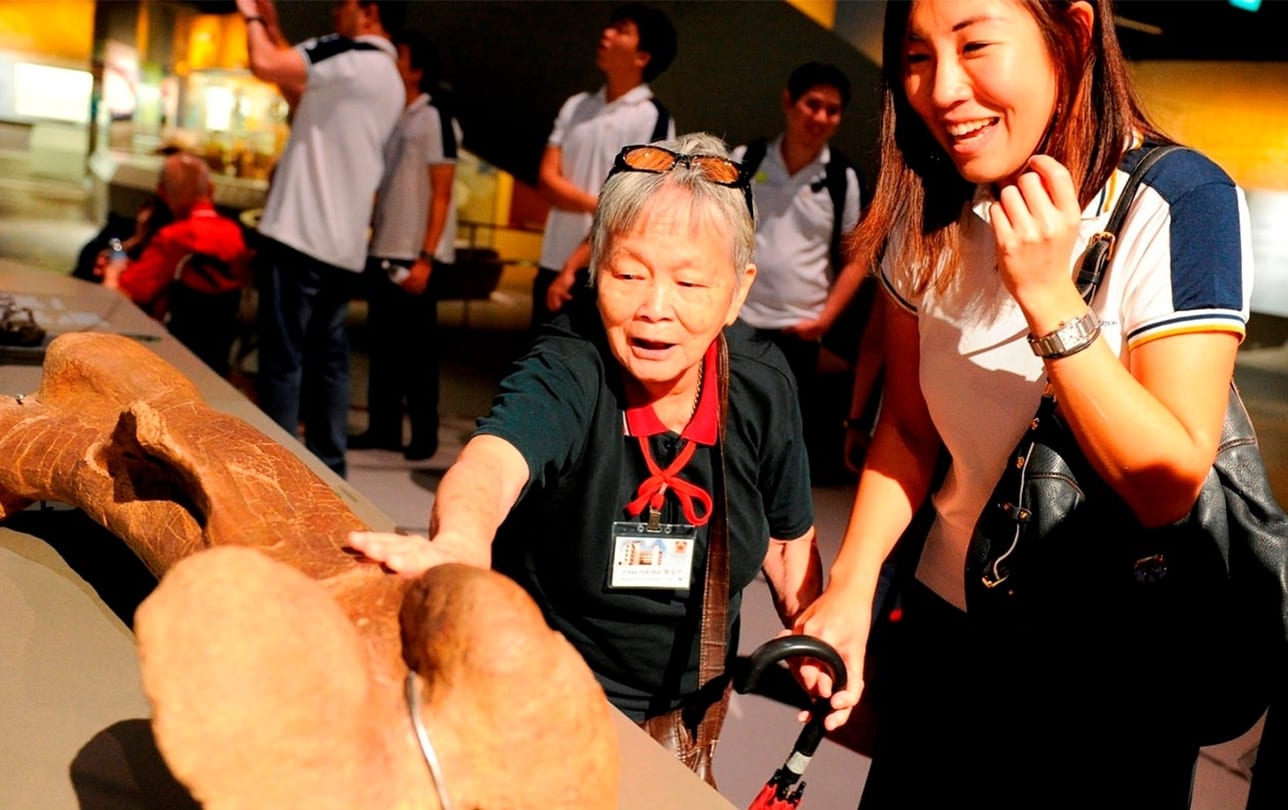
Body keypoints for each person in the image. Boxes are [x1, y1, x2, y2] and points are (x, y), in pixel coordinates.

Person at [794, 1, 1256, 806]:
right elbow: (906, 429)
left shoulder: (1179, 201)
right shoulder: (925, 205)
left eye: (975, 45)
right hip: (944, 637)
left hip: (1110, 673)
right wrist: (854, 585)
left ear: (1072, 35)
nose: (941, 89)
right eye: (916, 56)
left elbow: (1167, 482)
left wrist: (1050, 299)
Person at [348, 133, 823, 784]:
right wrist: (460, 539)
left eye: (689, 281)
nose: (655, 309)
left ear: (739, 292)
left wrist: (816, 631)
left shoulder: (762, 388)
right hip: (535, 707)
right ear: (597, 268)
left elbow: (789, 542)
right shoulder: (571, 365)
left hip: (684, 728)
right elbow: (492, 462)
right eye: (629, 275)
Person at [237, 0, 406, 477]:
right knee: (328, 358)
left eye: (344, 3)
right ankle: (330, 465)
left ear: (370, 10)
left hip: (298, 231)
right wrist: (275, 28)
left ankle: (276, 468)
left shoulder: (344, 51)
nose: (334, 11)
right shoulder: (387, 78)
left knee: (283, 357)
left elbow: (266, 64)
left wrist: (251, 16)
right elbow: (299, 91)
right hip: (343, 244)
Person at [733, 62, 871, 486]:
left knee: (787, 438)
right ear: (789, 102)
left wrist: (826, 318)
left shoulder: (841, 178)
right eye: (813, 104)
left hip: (801, 330)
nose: (821, 118)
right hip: (741, 322)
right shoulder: (745, 159)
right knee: (732, 425)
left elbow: (859, 258)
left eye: (832, 110)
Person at [349, 30, 462, 462]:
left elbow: (443, 191)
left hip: (415, 254)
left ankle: (424, 433)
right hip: (385, 249)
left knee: (417, 351)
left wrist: (427, 257)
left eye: (400, 58)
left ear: (416, 70)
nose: (392, 64)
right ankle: (383, 427)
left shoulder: (435, 117)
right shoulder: (399, 115)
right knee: (382, 346)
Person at [534, 2, 676, 328]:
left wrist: (573, 267)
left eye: (622, 30)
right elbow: (546, 179)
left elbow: (634, 208)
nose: (606, 34)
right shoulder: (577, 106)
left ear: (643, 56)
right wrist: (599, 205)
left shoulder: (654, 119)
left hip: (603, 267)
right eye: (610, 26)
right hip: (550, 259)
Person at [99, 153, 250, 377]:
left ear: (161, 192)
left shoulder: (174, 237)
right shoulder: (234, 233)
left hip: (168, 354)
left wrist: (112, 272)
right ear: (210, 188)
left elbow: (124, 294)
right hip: (218, 355)